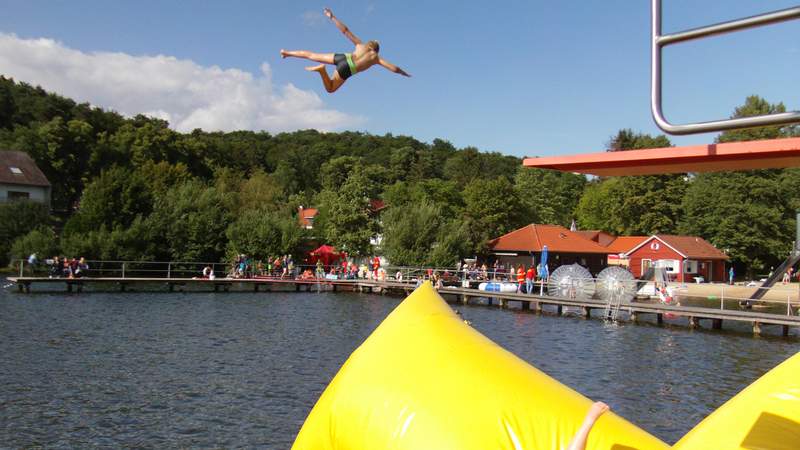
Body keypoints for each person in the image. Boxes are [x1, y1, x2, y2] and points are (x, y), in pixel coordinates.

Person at [281, 7, 411, 93]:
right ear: (376, 50)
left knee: (311, 55)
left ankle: (286, 53)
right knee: (330, 89)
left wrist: (331, 16)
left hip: (343, 57)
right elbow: (394, 68)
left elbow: (345, 31)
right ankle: (322, 71)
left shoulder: (360, 45)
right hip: (348, 69)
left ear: (369, 45)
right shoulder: (376, 58)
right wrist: (403, 73)